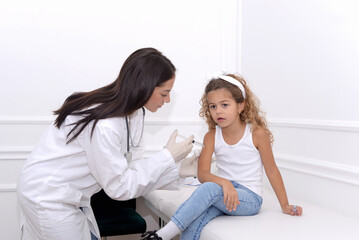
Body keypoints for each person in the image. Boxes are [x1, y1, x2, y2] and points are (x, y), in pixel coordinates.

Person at [17, 47, 199, 240]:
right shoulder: (106, 124)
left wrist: (175, 170)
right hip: (48, 196)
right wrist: (167, 157)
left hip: (70, 197)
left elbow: (132, 170)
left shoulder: (134, 114)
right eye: (164, 93)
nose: (168, 100)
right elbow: (119, 188)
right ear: (145, 85)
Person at [141, 73, 303, 240]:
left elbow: (272, 170)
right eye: (213, 106)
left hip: (249, 198)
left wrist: (285, 204)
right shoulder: (211, 136)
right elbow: (203, 174)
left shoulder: (256, 134)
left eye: (224, 105)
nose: (218, 111)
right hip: (224, 193)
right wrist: (225, 183)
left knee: (208, 189)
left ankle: (161, 236)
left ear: (241, 106)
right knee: (195, 220)